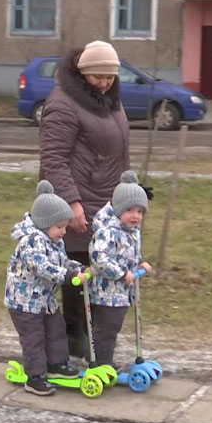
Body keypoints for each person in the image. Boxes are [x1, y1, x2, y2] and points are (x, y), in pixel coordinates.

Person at [39, 40, 133, 359]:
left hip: (106, 203)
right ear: (82, 75)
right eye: (98, 77)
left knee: (101, 275)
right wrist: (72, 202)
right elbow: (53, 159)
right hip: (78, 204)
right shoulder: (63, 103)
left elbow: (117, 151)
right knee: (78, 277)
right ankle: (72, 342)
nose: (105, 82)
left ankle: (93, 343)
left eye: (110, 77)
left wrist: (129, 191)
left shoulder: (109, 100)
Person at [4, 180, 88, 395]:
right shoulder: (30, 242)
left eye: (65, 227)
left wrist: (79, 268)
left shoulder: (54, 240)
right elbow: (42, 268)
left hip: (45, 301)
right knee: (34, 338)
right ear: (44, 223)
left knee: (56, 330)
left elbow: (61, 261)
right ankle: (35, 376)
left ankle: (57, 364)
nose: (63, 232)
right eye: (59, 227)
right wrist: (68, 276)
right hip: (24, 303)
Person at [88, 171, 153, 369]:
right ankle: (101, 362)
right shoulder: (108, 232)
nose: (136, 216)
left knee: (113, 327)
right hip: (106, 292)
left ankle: (103, 358)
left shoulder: (131, 231)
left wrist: (139, 264)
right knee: (106, 329)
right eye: (130, 210)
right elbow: (100, 258)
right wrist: (122, 274)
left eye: (140, 212)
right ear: (118, 209)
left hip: (122, 292)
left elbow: (128, 254)